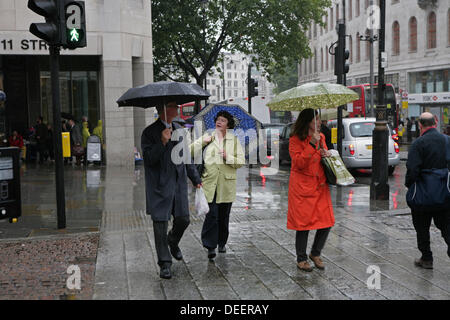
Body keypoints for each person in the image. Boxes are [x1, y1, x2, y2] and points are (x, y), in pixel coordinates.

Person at [141, 102, 202, 279]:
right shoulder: (149, 132)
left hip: (178, 184)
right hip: (160, 185)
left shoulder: (179, 128)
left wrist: (196, 179)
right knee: (160, 223)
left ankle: (173, 241)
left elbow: (186, 157)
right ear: (165, 110)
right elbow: (149, 159)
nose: (177, 109)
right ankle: (164, 263)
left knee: (183, 219)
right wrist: (162, 141)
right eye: (174, 107)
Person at [190, 110, 245, 260]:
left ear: (228, 124)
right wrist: (203, 141)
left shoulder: (234, 140)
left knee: (223, 216)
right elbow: (189, 150)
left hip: (226, 185)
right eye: (218, 119)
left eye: (223, 120)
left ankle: (222, 242)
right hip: (209, 183)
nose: (219, 122)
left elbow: (240, 162)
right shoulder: (208, 136)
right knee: (212, 215)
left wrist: (228, 157)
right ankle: (210, 246)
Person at [287, 108, 335, 272]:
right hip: (302, 187)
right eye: (316, 119)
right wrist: (312, 144)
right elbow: (299, 162)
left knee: (327, 221)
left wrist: (325, 153)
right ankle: (301, 258)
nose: (320, 122)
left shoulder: (321, 137)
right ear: (308, 122)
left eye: (319, 119)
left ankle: (315, 253)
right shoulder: (295, 139)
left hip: (320, 185)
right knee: (303, 224)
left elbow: (320, 157)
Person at [405, 112, 450, 269]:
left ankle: (426, 258)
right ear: (435, 123)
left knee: (422, 227)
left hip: (422, 195)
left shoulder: (418, 144)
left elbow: (412, 170)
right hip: (444, 193)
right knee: (446, 226)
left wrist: (410, 184)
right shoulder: (447, 141)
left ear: (420, 125)